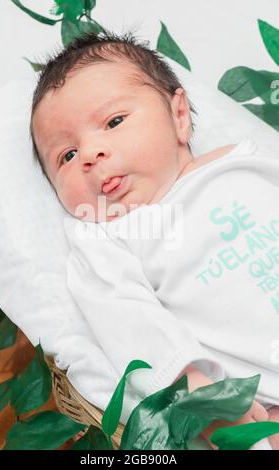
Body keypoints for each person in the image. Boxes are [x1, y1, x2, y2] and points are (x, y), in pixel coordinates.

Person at [30, 30, 279, 450]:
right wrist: (196, 390)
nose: (90, 154)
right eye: (67, 156)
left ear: (178, 116)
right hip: (265, 399)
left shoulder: (245, 162)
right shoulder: (106, 240)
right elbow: (131, 325)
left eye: (113, 122)